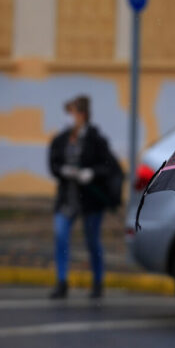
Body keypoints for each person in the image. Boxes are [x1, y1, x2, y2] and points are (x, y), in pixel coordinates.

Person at [47, 95, 115, 299]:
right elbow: (54, 164)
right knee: (60, 236)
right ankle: (62, 282)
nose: (69, 117)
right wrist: (63, 170)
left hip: (90, 200)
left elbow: (108, 166)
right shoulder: (61, 139)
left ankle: (97, 282)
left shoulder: (96, 139)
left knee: (92, 241)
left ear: (83, 115)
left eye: (72, 113)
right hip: (67, 199)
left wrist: (91, 173)